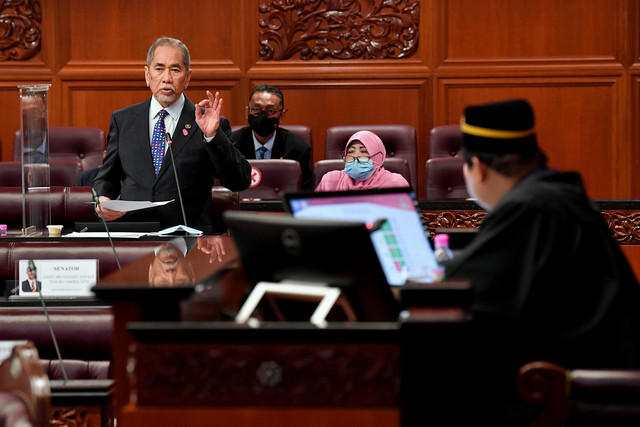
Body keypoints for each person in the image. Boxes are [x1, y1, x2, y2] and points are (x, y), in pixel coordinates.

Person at [444, 99, 640, 424]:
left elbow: (465, 288)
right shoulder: (555, 194)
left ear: (476, 167)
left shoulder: (533, 206)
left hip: (585, 395)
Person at [93, 36, 251, 231]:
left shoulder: (205, 123)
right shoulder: (123, 120)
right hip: (134, 237)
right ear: (147, 75)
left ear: (187, 77)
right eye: (159, 69)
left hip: (188, 242)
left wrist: (212, 136)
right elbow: (106, 177)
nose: (166, 78)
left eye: (175, 70)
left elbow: (239, 180)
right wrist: (102, 199)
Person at [231, 85, 313, 189]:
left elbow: (304, 191)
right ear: (247, 112)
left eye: (270, 111)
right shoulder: (232, 145)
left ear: (281, 115)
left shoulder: (298, 149)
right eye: (256, 109)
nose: (262, 116)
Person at [315, 130, 409, 192]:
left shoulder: (396, 183)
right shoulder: (329, 180)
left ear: (378, 157)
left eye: (364, 151)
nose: (356, 156)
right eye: (351, 152)